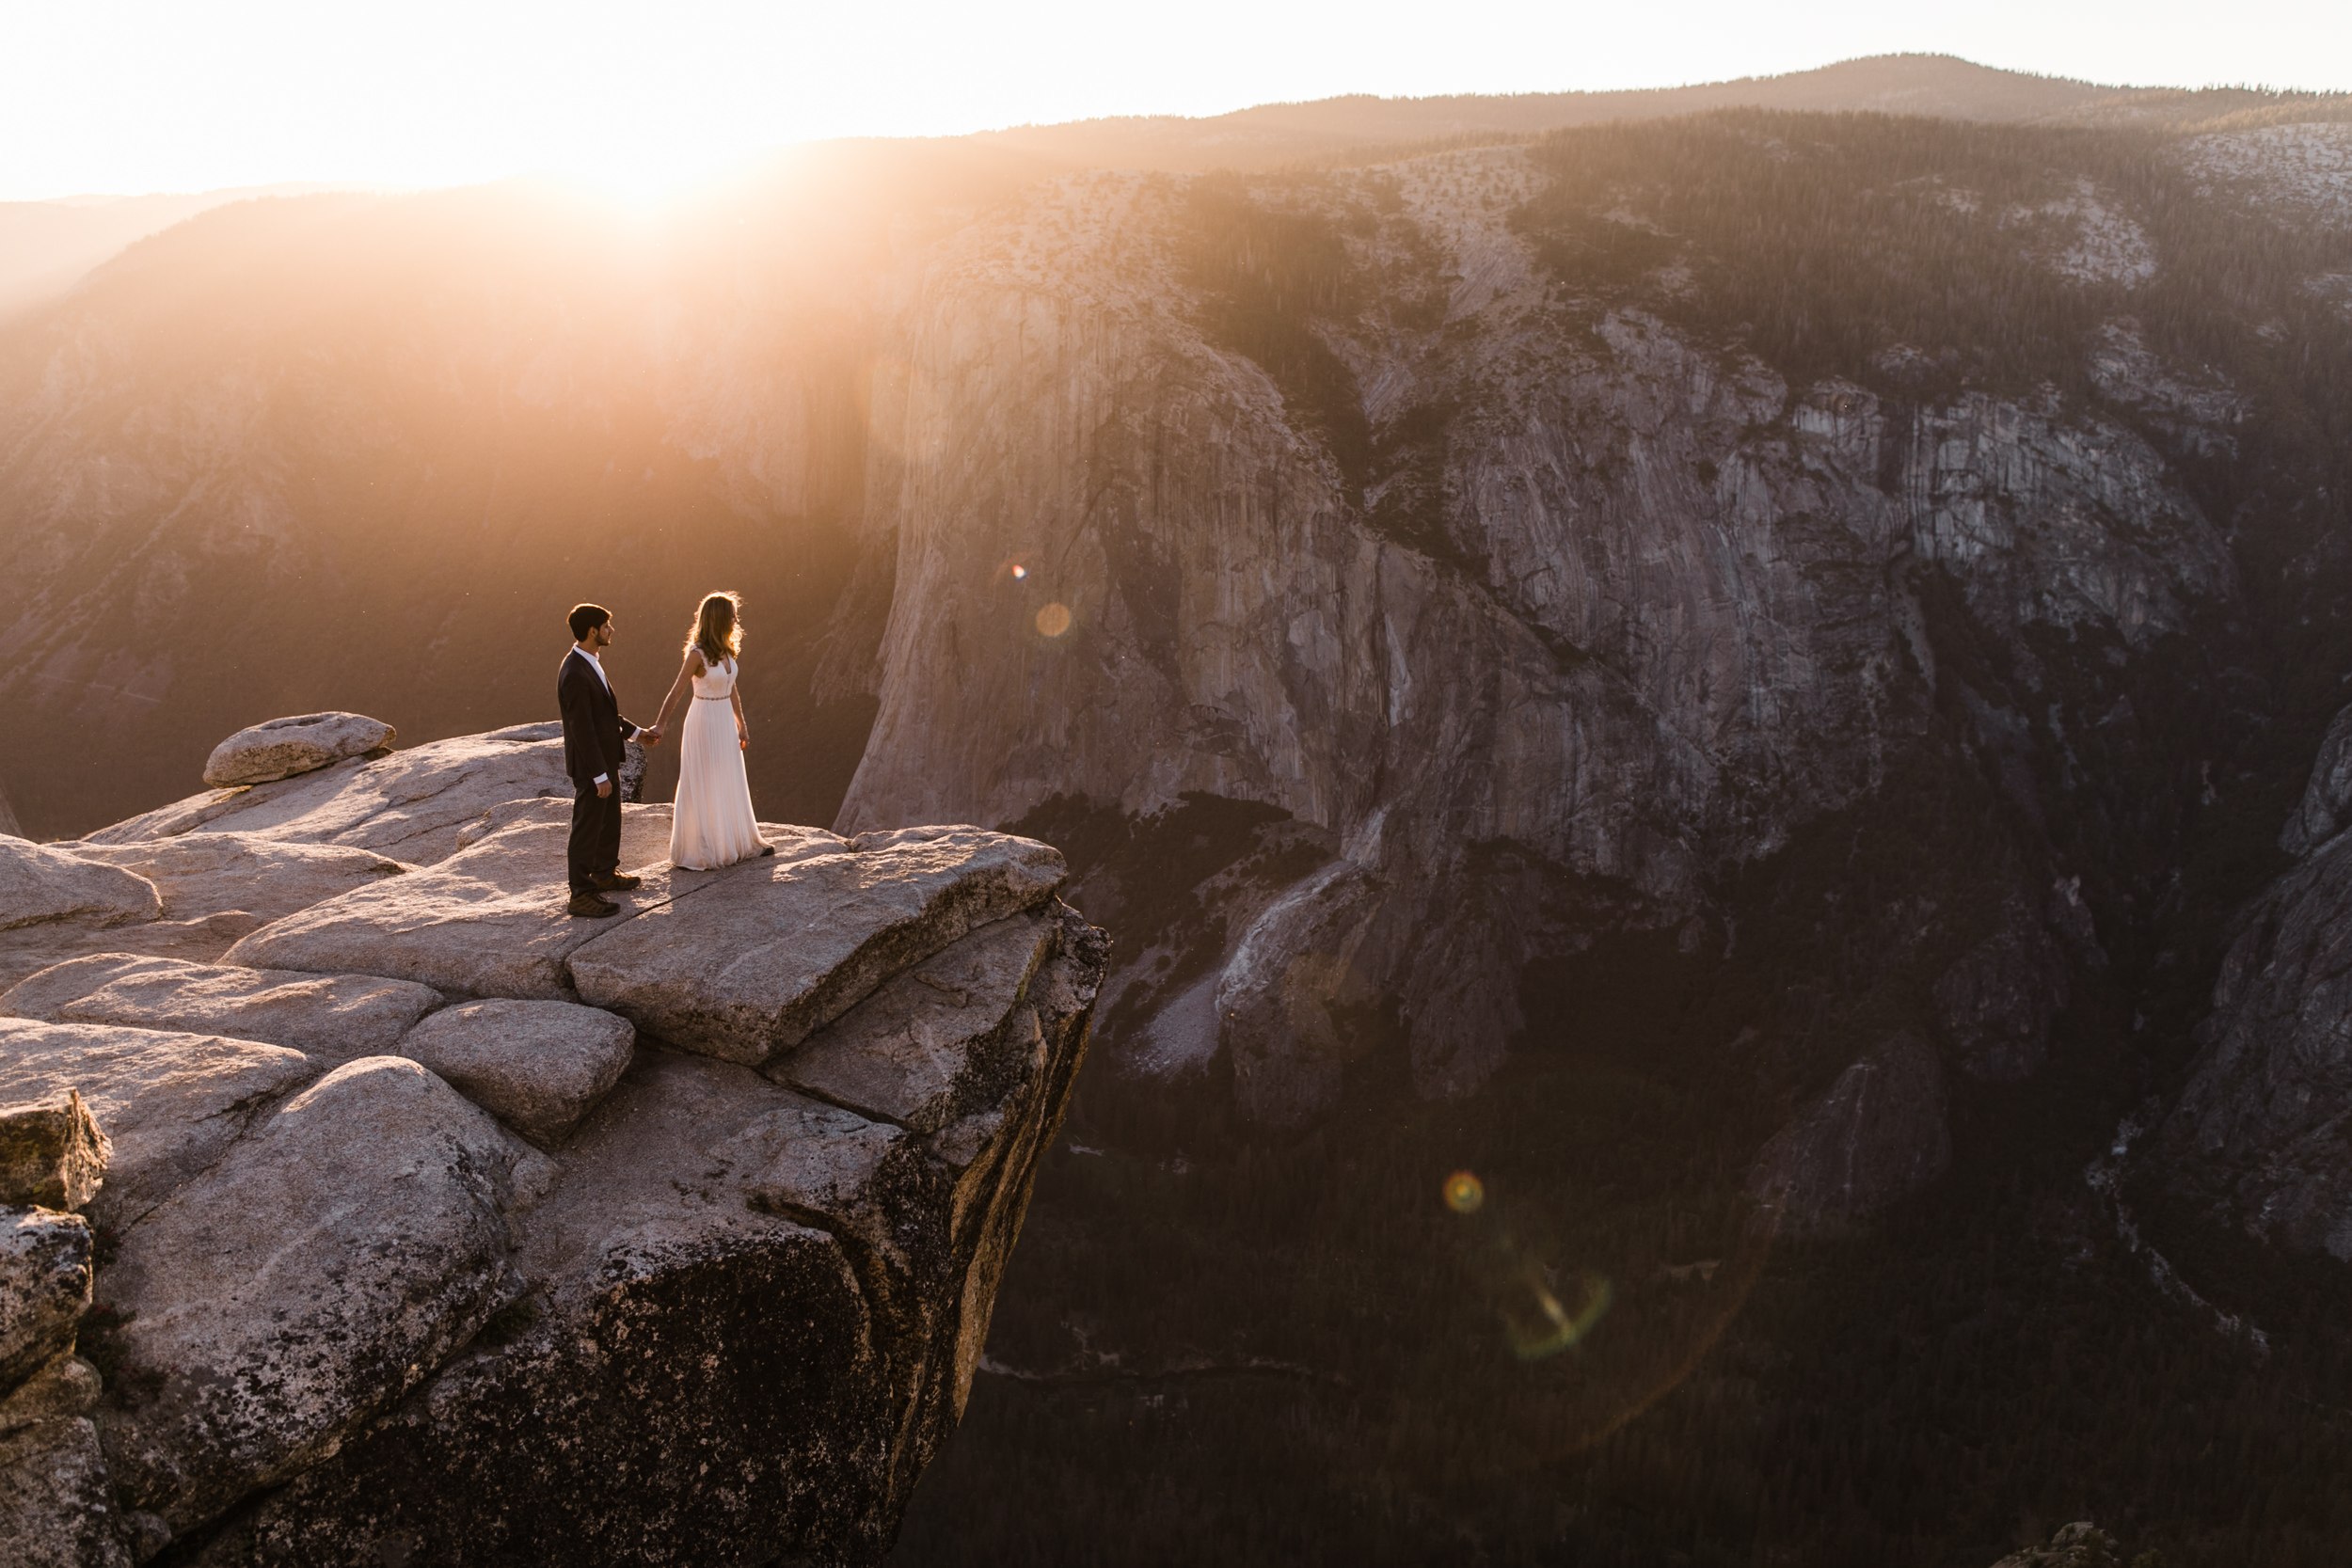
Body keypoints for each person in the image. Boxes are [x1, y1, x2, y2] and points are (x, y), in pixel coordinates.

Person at [649, 592, 772, 870]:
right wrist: (661, 724)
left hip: (723, 721)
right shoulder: (698, 654)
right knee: (705, 779)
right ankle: (704, 849)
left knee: (729, 778)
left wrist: (741, 724)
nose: (736, 619)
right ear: (718, 618)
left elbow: (732, 688)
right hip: (703, 720)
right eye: (731, 615)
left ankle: (738, 843)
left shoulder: (727, 650)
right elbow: (678, 689)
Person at [558, 603, 661, 919]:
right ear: (593, 631)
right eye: (606, 626)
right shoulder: (575, 672)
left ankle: (604, 873)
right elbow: (582, 728)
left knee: (609, 822)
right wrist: (598, 775)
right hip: (594, 766)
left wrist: (636, 733)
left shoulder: (588, 662)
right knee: (587, 828)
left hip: (605, 760)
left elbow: (604, 715)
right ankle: (581, 894)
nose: (611, 631)